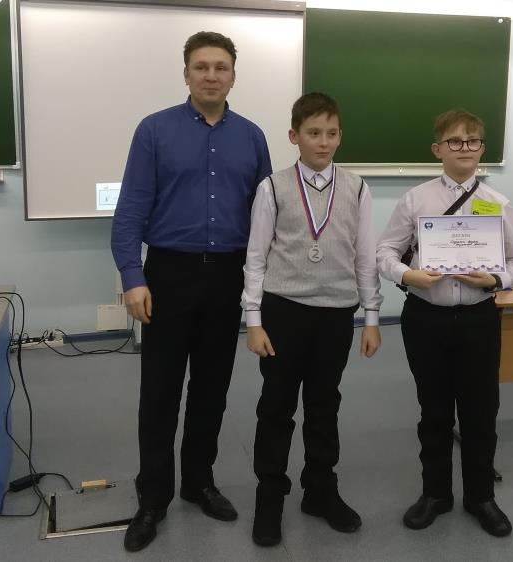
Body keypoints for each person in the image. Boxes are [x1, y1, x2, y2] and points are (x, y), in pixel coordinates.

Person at [110, 31, 272, 552]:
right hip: (168, 276)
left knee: (211, 388)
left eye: (220, 67)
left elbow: (266, 219)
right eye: (201, 66)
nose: (211, 75)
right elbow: (130, 209)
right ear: (186, 74)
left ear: (233, 75)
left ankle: (199, 482)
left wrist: (262, 287)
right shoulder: (154, 130)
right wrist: (132, 276)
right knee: (159, 392)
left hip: (228, 276)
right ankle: (153, 497)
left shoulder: (252, 137)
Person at [376, 109, 513, 537]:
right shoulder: (415, 200)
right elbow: (385, 252)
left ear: (482, 149)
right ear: (437, 149)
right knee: (434, 410)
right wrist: (409, 275)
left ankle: (481, 497)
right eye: (455, 141)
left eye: (473, 141)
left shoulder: (498, 203)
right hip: (426, 318)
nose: (465, 148)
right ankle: (435, 494)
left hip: (479, 318)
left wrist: (495, 280)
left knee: (481, 412)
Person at [242, 92, 383, 547]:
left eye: (331, 133)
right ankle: (270, 497)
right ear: (294, 136)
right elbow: (256, 257)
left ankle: (320, 490)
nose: (323, 142)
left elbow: (365, 257)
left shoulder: (357, 188)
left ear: (341, 136)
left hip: (336, 314)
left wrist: (372, 316)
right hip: (283, 311)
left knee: (324, 405)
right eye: (313, 133)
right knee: (277, 406)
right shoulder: (273, 187)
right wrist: (253, 319)